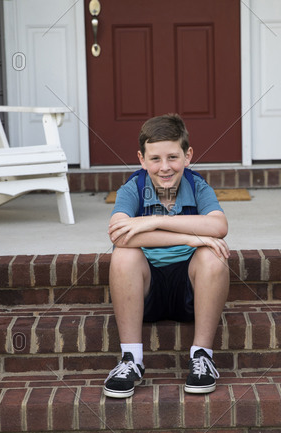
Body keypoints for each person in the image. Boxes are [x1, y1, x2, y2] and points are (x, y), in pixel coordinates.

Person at [105, 113, 230, 398]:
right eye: (155, 159)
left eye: (173, 157)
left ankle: (202, 357)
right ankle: (131, 360)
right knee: (124, 254)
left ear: (188, 156)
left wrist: (152, 222)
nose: (164, 167)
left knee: (213, 255)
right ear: (141, 159)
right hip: (145, 291)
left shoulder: (197, 186)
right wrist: (189, 235)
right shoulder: (133, 187)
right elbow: (119, 234)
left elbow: (218, 226)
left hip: (190, 290)